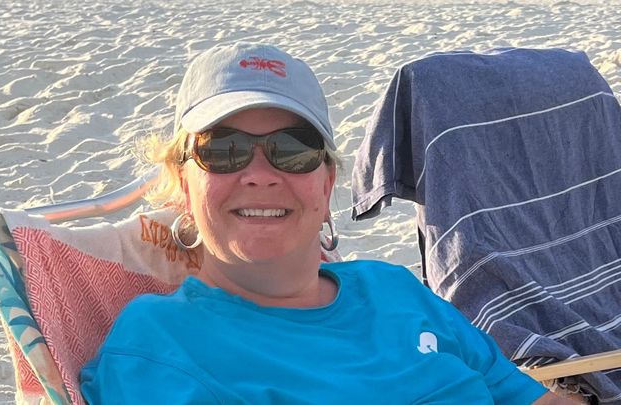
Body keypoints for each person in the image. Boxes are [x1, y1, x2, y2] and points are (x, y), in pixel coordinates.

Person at [79, 42, 576, 404]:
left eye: (292, 150)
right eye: (224, 150)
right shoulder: (160, 341)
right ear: (183, 184)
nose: (260, 175)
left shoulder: (392, 288)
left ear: (325, 184)